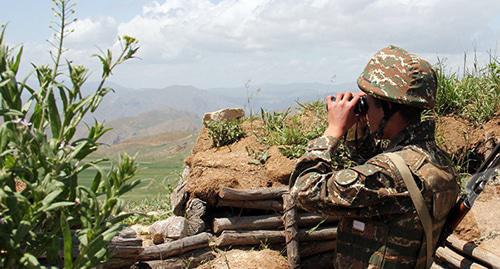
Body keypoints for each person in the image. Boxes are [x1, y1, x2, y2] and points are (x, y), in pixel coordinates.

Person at [289, 45, 460, 268]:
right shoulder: (437, 161)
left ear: (388, 106)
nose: (365, 109)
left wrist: (332, 133)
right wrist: (358, 127)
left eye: (369, 102)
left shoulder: (390, 174)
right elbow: (374, 167)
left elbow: (304, 190)